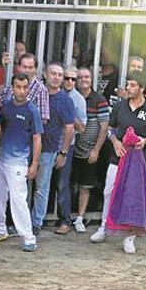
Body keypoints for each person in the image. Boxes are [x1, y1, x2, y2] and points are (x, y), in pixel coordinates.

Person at [90, 72, 146, 252]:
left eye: (133, 85)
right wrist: (115, 142)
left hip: (138, 161)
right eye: (128, 85)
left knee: (133, 197)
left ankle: (129, 236)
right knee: (109, 191)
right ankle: (105, 227)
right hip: (117, 157)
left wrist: (144, 141)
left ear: (141, 89)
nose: (128, 88)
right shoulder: (119, 106)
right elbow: (109, 129)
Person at [0, 73, 43, 252]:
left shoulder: (32, 110)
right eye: (17, 87)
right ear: (12, 88)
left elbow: (37, 139)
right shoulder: (6, 106)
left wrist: (34, 164)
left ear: (28, 88)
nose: (21, 91)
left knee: (18, 199)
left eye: (24, 87)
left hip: (19, 162)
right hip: (1, 158)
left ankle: (28, 237)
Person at [31, 63, 76, 234]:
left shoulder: (65, 100)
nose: (57, 77)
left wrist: (63, 152)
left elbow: (69, 128)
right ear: (45, 74)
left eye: (60, 75)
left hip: (49, 149)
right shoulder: (35, 93)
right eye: (53, 73)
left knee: (42, 188)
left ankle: (36, 223)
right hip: (27, 146)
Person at [72, 67, 109, 233]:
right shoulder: (71, 97)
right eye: (80, 77)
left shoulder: (99, 100)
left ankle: (79, 218)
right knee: (70, 184)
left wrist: (96, 150)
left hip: (89, 151)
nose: (83, 80)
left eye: (86, 77)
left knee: (85, 186)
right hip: (73, 148)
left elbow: (104, 127)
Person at [54, 66, 87, 235]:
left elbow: (81, 127)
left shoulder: (78, 99)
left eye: (73, 79)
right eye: (66, 78)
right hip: (48, 143)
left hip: (66, 145)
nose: (69, 82)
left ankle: (64, 220)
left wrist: (69, 115)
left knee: (62, 184)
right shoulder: (52, 93)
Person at [0, 52, 50, 122]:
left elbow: (43, 120)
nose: (27, 70)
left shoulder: (40, 89)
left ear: (35, 69)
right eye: (24, 67)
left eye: (30, 67)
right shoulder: (13, 84)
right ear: (19, 68)